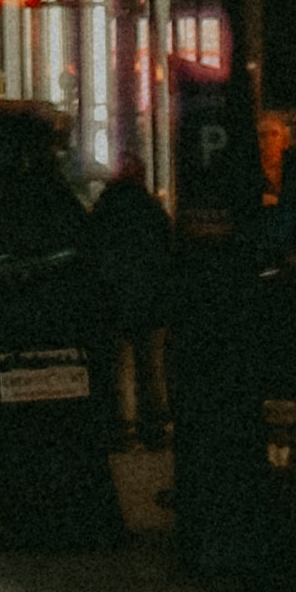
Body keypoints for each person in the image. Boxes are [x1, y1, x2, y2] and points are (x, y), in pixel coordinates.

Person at [84, 154, 179, 455]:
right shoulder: (153, 210)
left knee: (121, 364)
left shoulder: (104, 210)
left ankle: (125, 426)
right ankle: (157, 426)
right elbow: (168, 252)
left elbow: (93, 253)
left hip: (116, 299)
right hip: (152, 301)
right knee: (153, 364)